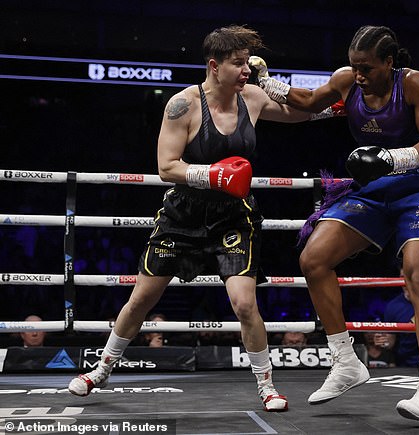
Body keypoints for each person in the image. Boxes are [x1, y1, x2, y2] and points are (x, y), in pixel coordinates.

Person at [68, 25, 318, 412]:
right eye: (238, 64)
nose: (246, 70)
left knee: (245, 304)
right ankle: (101, 370)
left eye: (248, 63)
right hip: (183, 213)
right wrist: (213, 174)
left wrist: (322, 103)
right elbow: (166, 167)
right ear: (215, 66)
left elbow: (299, 115)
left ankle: (267, 386)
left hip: (233, 216)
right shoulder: (182, 105)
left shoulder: (252, 96)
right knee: (141, 300)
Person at [250, 26, 419, 423]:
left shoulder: (414, 84)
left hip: (418, 189)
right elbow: (308, 101)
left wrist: (391, 158)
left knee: (418, 279)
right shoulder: (347, 80)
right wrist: (265, 80)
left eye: (366, 67)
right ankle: (345, 362)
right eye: (354, 66)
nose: (358, 74)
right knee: (314, 259)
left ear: (389, 62)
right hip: (372, 191)